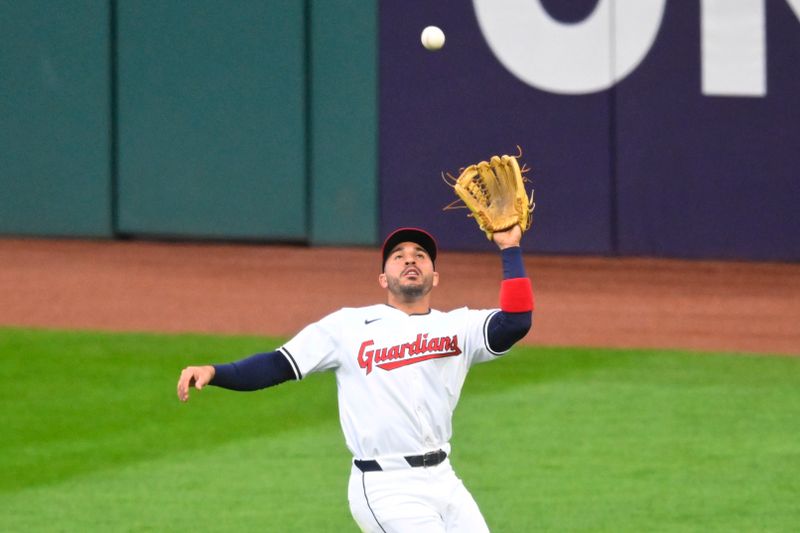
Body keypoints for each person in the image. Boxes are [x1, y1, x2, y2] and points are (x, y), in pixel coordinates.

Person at [177, 225, 533, 532]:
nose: (410, 259)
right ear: (383, 279)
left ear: (435, 276)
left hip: (443, 478)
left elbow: (515, 322)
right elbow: (278, 365)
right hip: (385, 485)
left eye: (420, 255)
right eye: (398, 255)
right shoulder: (347, 326)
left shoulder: (458, 327)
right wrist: (215, 372)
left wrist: (509, 248)